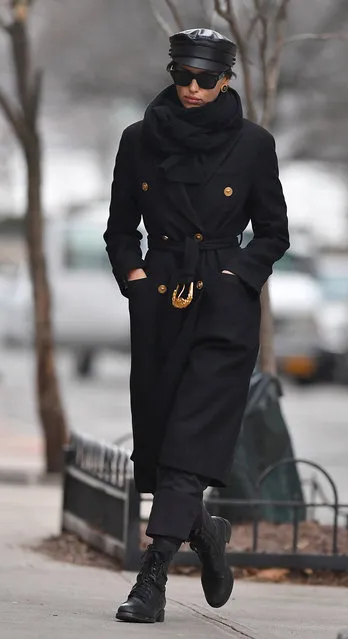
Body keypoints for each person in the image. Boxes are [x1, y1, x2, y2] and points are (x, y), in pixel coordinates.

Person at [104, 27, 289, 624]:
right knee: (157, 444)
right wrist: (135, 280)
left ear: (226, 79)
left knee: (189, 440)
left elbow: (273, 233)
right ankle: (205, 531)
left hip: (224, 305)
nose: (191, 88)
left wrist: (236, 278)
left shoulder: (254, 146)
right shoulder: (138, 141)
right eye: (182, 76)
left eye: (204, 79)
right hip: (159, 298)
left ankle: (151, 577)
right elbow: (118, 228)